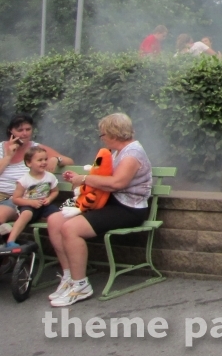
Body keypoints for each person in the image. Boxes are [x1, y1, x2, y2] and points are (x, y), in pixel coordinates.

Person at [45, 113, 152, 307]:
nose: (101, 138)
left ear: (113, 134)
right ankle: (69, 277)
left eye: (102, 134)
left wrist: (85, 179)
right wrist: (79, 178)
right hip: (109, 203)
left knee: (71, 229)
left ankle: (81, 286)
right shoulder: (117, 152)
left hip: (128, 208)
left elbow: (117, 183)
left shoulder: (132, 154)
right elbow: (101, 175)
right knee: (54, 220)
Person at [0, 114, 72, 235]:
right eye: (20, 130)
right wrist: (8, 156)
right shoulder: (1, 148)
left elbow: (69, 161)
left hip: (19, 201)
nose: (24, 133)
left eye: (28, 129)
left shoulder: (36, 149)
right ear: (11, 131)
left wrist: (56, 159)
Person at [3, 146, 59, 250]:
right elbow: (16, 199)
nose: (44, 162)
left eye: (45, 159)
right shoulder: (24, 180)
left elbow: (55, 191)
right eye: (40, 160)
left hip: (44, 205)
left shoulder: (50, 177)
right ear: (29, 163)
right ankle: (10, 241)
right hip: (28, 206)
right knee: (26, 214)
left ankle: (60, 242)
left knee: (58, 216)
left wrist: (49, 199)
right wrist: (31, 203)